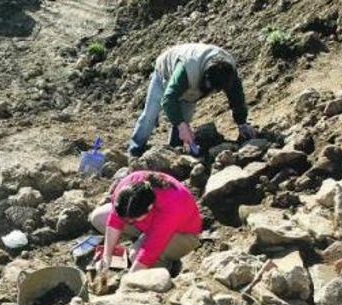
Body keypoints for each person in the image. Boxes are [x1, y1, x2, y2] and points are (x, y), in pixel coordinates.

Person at [127, 43, 256, 157]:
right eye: (211, 87)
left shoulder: (228, 73)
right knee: (150, 115)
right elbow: (168, 99)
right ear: (205, 76)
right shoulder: (187, 68)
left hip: (192, 88)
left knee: (184, 119)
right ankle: (135, 148)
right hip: (165, 75)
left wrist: (242, 123)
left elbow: (237, 97)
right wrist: (182, 126)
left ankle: (174, 150)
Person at [89, 171, 202, 273]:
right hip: (151, 225)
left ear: (150, 207)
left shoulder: (172, 205)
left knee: (135, 256)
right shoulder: (128, 187)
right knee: (98, 218)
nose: (128, 222)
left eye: (132, 219)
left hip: (183, 233)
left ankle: (166, 267)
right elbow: (115, 220)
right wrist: (107, 256)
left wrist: (128, 282)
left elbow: (149, 252)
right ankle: (141, 241)